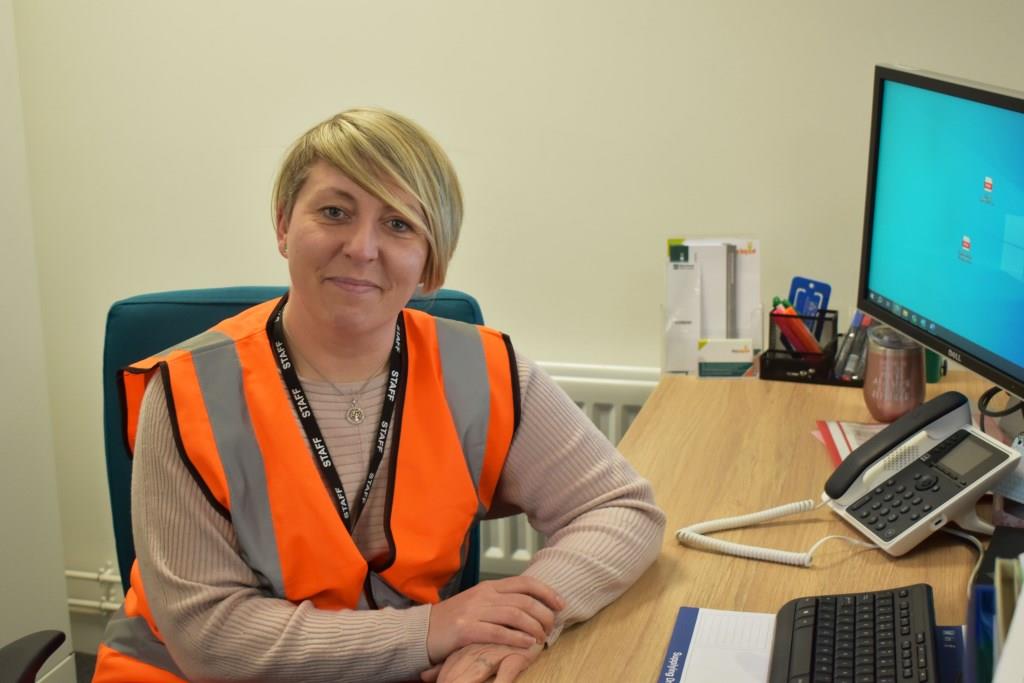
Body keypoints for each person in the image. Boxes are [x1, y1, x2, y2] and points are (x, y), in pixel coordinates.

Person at [92, 108, 665, 683]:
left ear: (430, 260)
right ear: (284, 225)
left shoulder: (484, 369)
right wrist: (430, 631)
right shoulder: (186, 391)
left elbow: (621, 509)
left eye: (399, 225)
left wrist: (516, 629)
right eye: (335, 212)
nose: (362, 248)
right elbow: (209, 640)